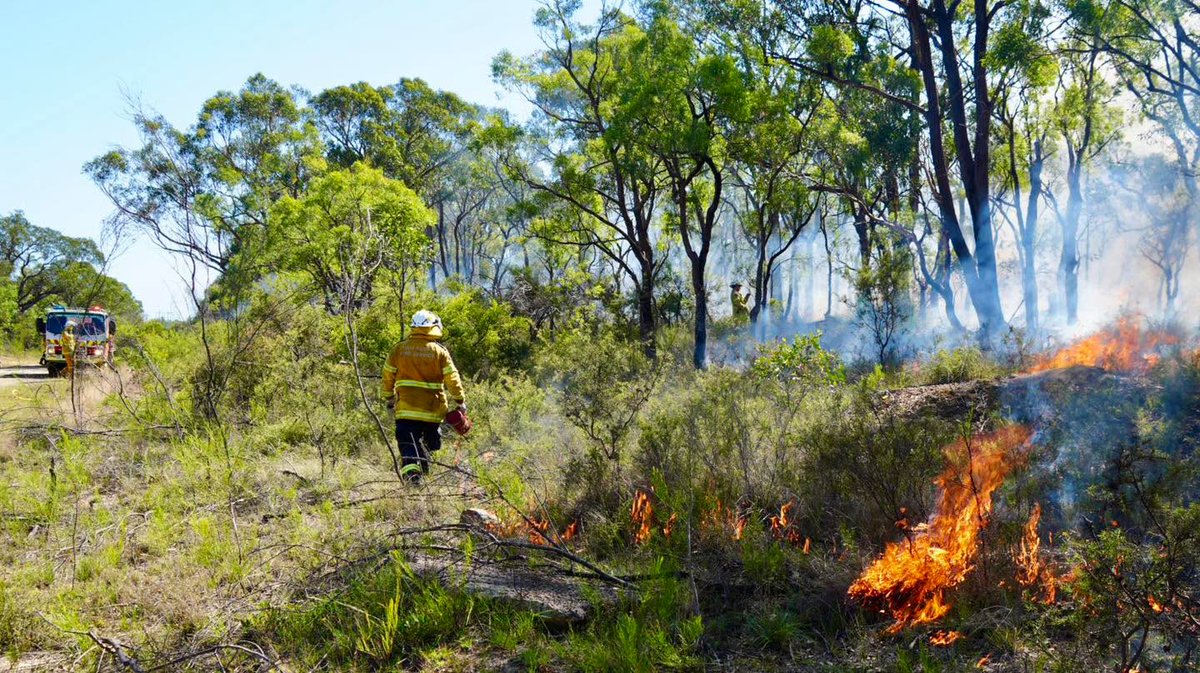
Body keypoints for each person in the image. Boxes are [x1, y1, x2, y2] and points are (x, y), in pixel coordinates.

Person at [381, 310, 466, 482]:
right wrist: (460, 401)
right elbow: (452, 378)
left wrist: (388, 397)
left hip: (406, 410)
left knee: (408, 445)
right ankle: (422, 474)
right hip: (432, 411)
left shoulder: (399, 349)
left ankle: (413, 478)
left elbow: (388, 375)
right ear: (434, 327)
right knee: (431, 444)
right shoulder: (440, 351)